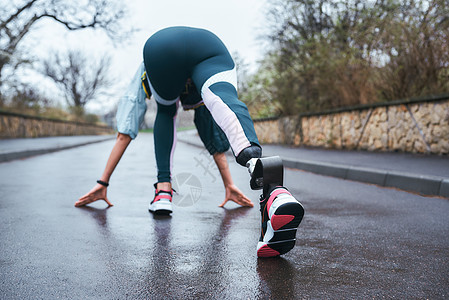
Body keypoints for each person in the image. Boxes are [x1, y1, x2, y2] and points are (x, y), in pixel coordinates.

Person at [75, 26, 304, 257]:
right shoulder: (199, 80)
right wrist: (229, 183)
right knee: (222, 100)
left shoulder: (148, 69)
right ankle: (271, 186)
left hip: (160, 46)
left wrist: (103, 183)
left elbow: (126, 127)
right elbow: (210, 132)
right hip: (210, 46)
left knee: (166, 112)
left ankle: (163, 193)